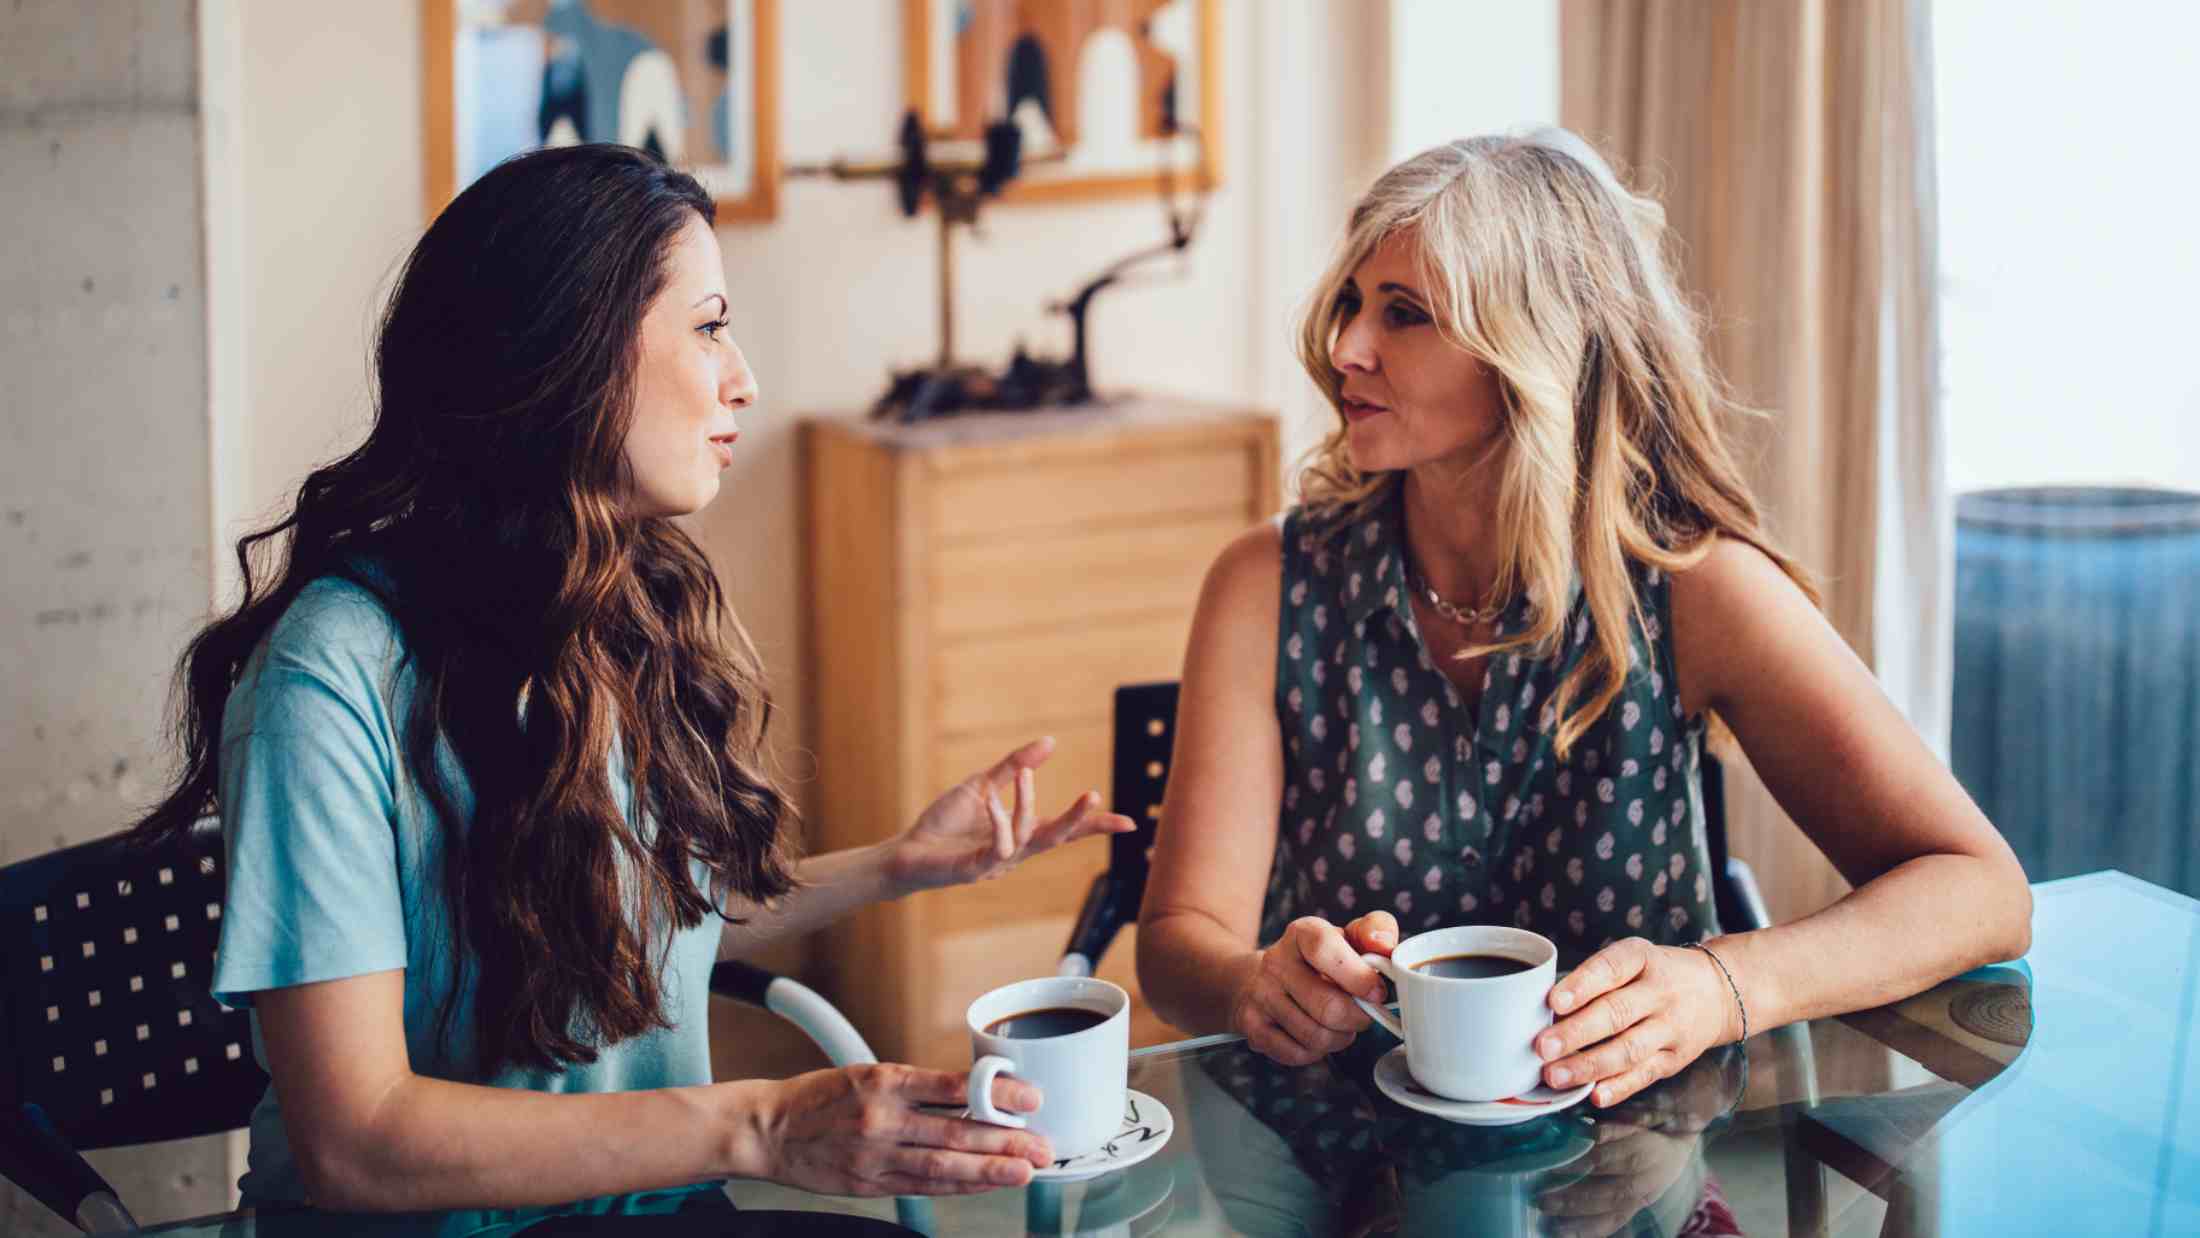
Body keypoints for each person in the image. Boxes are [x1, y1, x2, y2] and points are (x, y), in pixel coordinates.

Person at [126, 144, 1130, 1217]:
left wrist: (898, 863)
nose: (743, 374)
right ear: (573, 354)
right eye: (706, 327)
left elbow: (609, 919)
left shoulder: (609, 601)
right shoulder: (324, 678)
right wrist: (763, 1122)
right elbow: (356, 1140)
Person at [1135, 130, 2032, 1112]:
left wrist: (1729, 983)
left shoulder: (1696, 590)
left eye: (1404, 314)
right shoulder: (1265, 582)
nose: (1346, 347)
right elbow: (1178, 941)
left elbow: (1980, 887)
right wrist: (1251, 980)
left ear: (1535, 345)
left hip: (1634, 1171)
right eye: (1352, 302)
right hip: (1327, 1161)